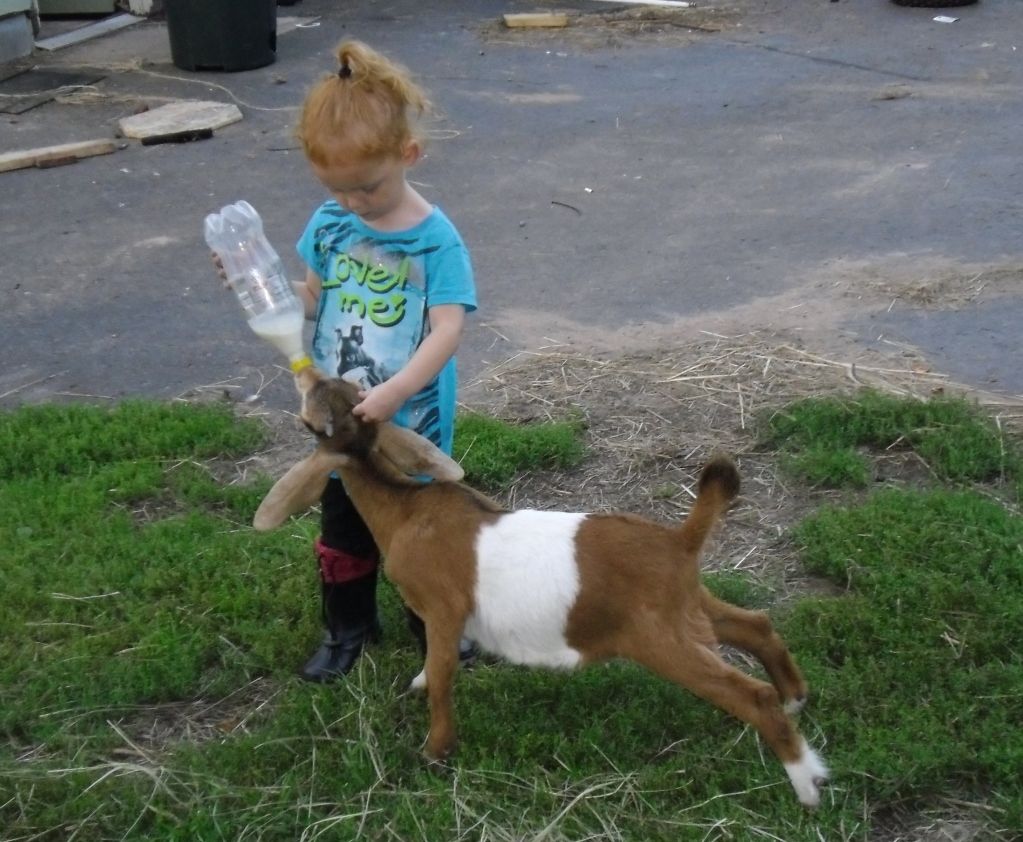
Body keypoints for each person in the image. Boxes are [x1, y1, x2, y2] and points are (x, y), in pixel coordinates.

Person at [218, 40, 478, 681]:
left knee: (424, 532)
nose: (355, 202)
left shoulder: (434, 240)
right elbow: (312, 298)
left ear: (408, 155)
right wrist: (267, 295)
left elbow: (448, 328)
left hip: (406, 423)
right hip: (337, 422)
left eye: (368, 186)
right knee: (344, 530)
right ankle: (348, 628)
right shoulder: (332, 225)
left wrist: (398, 390)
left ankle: (439, 626)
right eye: (337, 189)